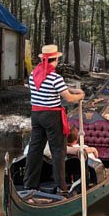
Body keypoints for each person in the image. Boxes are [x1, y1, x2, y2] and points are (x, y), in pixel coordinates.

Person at [24, 44, 84, 195]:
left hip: (36, 116)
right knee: (58, 150)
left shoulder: (34, 75)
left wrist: (72, 89)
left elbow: (55, 89)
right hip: (51, 117)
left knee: (35, 148)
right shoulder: (55, 77)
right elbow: (69, 98)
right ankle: (61, 188)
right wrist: (80, 96)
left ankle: (30, 184)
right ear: (55, 59)